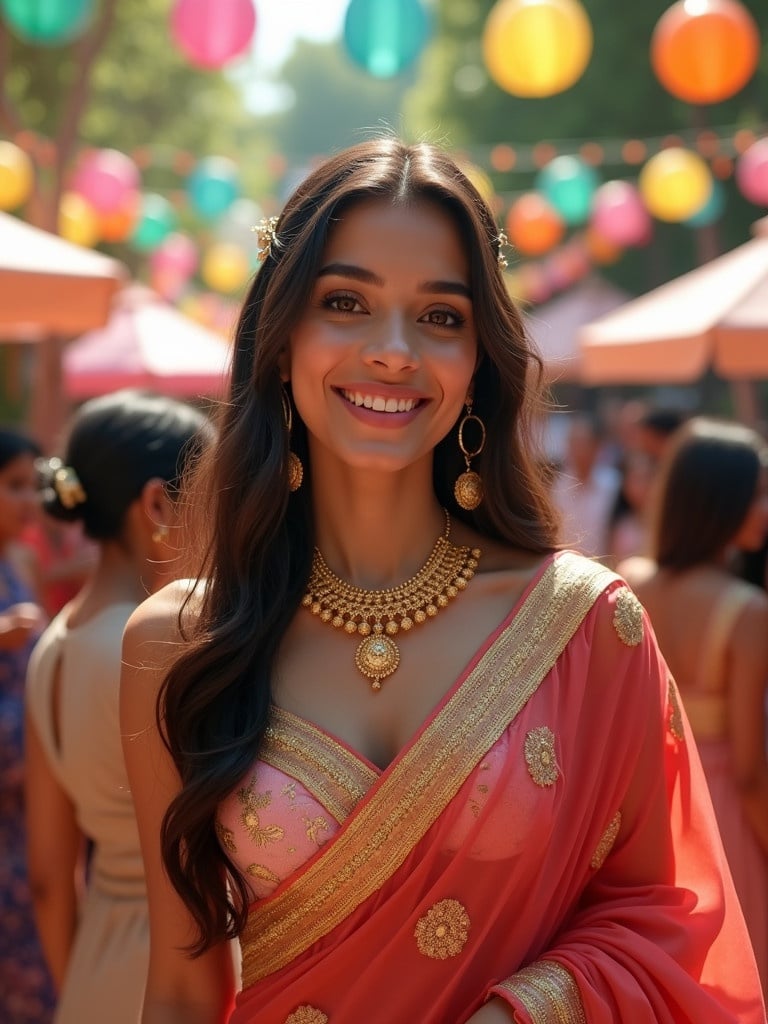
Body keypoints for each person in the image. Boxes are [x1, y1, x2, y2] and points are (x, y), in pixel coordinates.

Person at [120, 139, 764, 1024]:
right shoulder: (177, 644)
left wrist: (523, 1013)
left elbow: (671, 925)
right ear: (278, 342)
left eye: (440, 316)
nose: (393, 351)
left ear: (477, 364)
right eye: (345, 303)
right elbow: (183, 991)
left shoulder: (581, 629)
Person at [24, 391, 214, 1024]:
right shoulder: (158, 655)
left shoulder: (53, 645)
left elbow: (50, 878)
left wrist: (81, 989)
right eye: (214, 502)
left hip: (93, 976)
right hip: (183, 974)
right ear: (158, 505)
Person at [621, 417, 768, 1001]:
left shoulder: (628, 583)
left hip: (651, 818)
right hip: (725, 818)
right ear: (721, 503)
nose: (765, 507)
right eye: (757, 492)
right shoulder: (747, 611)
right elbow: (752, 769)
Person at [0, 427, 56, 1023]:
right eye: (13, 486)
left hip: (22, 804)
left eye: (31, 487)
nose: (27, 502)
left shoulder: (17, 561)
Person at [550, 412, 619, 560]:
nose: (578, 450)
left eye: (583, 443)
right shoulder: (554, 485)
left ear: (597, 446)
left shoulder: (614, 485)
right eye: (573, 443)